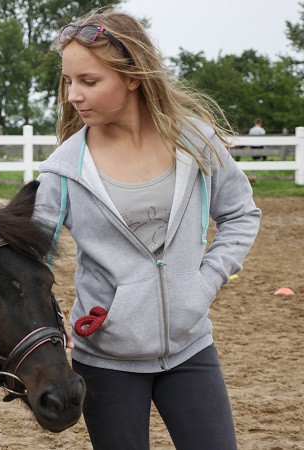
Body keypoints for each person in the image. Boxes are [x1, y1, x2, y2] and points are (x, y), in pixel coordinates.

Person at [33, 9, 261, 449]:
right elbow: (30, 258)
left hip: (191, 350)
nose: (73, 95)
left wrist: (205, 281)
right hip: (104, 361)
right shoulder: (62, 172)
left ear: (133, 76)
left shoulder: (195, 142)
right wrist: (49, 319)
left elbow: (240, 214)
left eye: (89, 81)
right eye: (68, 82)